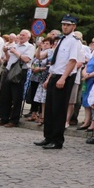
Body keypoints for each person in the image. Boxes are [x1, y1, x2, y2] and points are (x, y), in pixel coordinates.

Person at [34, 14, 83, 150]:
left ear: (74, 26)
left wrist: (63, 78)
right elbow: (56, 61)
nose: (65, 27)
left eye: (68, 25)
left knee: (58, 110)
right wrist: (51, 77)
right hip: (55, 75)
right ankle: (48, 136)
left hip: (64, 77)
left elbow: (72, 61)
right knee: (49, 108)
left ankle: (57, 140)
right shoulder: (62, 39)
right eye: (63, 24)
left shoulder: (74, 41)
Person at [0, 29, 34, 127]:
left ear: (28, 37)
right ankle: (4, 118)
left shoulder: (30, 47)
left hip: (19, 72)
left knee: (16, 97)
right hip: (9, 70)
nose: (21, 36)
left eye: (23, 35)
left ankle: (14, 120)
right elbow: (8, 59)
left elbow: (26, 59)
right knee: (4, 96)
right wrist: (6, 52)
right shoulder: (15, 45)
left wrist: (16, 52)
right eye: (20, 34)